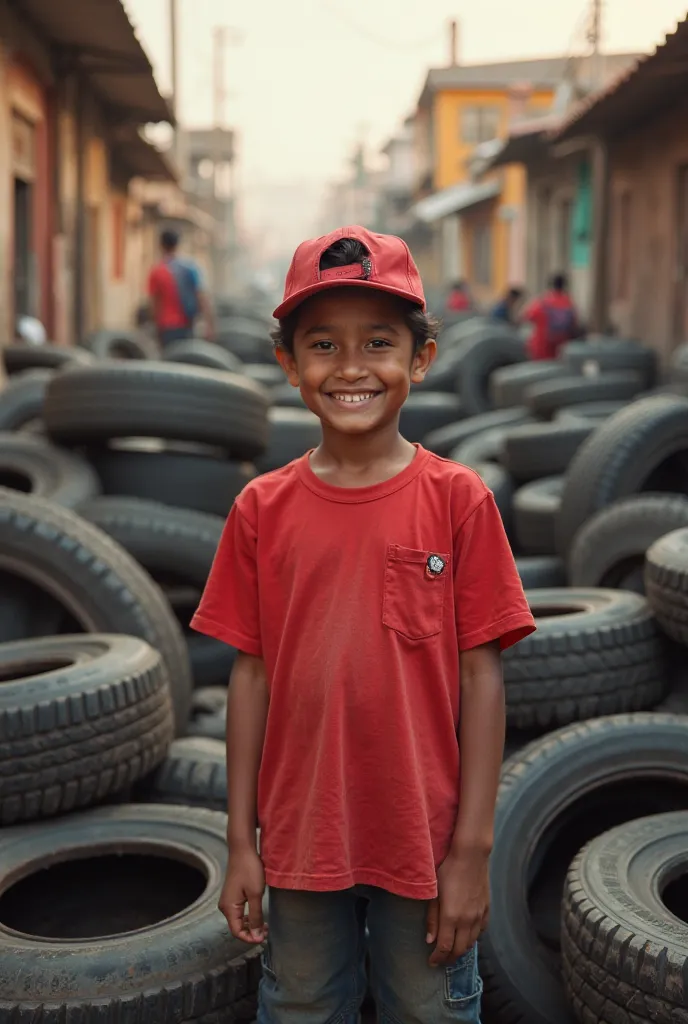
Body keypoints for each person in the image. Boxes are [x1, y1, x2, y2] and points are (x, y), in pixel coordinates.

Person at [191, 226, 536, 1024]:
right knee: (305, 1006)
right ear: (289, 364)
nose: (350, 368)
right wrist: (241, 841)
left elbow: (483, 677)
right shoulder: (260, 509)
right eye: (323, 345)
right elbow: (252, 674)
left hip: (426, 841)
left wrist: (472, 853)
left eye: (378, 343)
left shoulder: (459, 502)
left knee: (429, 1010)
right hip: (301, 837)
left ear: (420, 360)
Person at [147, 229, 214, 346]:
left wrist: (155, 326)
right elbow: (202, 297)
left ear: (161, 245)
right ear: (178, 244)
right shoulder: (190, 268)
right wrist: (210, 324)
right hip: (188, 324)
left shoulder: (157, 271)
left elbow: (154, 304)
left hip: (166, 327)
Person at [522, 272, 580, 360]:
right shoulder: (569, 304)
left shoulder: (543, 302)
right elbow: (575, 325)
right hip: (560, 349)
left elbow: (526, 316)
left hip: (541, 348)